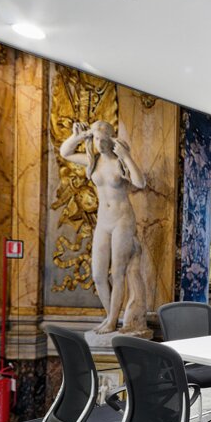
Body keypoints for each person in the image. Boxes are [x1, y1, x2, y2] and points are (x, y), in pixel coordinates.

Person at [59, 120, 147, 334]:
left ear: (111, 138)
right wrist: (78, 136)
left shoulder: (119, 161)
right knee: (98, 274)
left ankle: (111, 321)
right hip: (103, 221)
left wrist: (126, 156)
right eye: (96, 139)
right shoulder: (93, 160)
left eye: (102, 139)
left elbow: (140, 182)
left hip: (122, 220)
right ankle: (111, 317)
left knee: (118, 272)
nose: (98, 143)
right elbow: (65, 153)